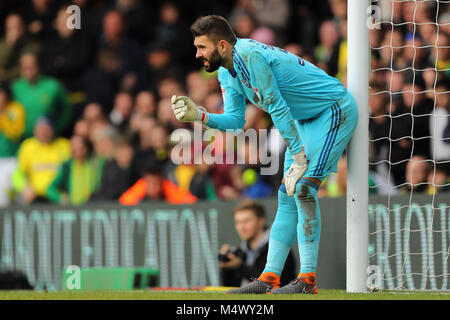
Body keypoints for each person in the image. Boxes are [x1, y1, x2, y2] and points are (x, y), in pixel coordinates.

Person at [170, 15, 359, 294]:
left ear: (222, 45)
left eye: (202, 47)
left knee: (304, 189)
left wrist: (298, 156)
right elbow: (235, 120)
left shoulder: (251, 56)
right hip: (304, 121)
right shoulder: (227, 70)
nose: (197, 54)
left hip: (332, 110)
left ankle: (307, 280)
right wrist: (200, 115)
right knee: (286, 194)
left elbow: (278, 109)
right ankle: (269, 276)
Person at [219, 200, 296, 287]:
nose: (241, 227)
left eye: (246, 221)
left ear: (261, 221)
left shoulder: (279, 248)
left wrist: (239, 266)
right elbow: (229, 287)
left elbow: (270, 283)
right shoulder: (241, 251)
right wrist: (226, 267)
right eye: (238, 222)